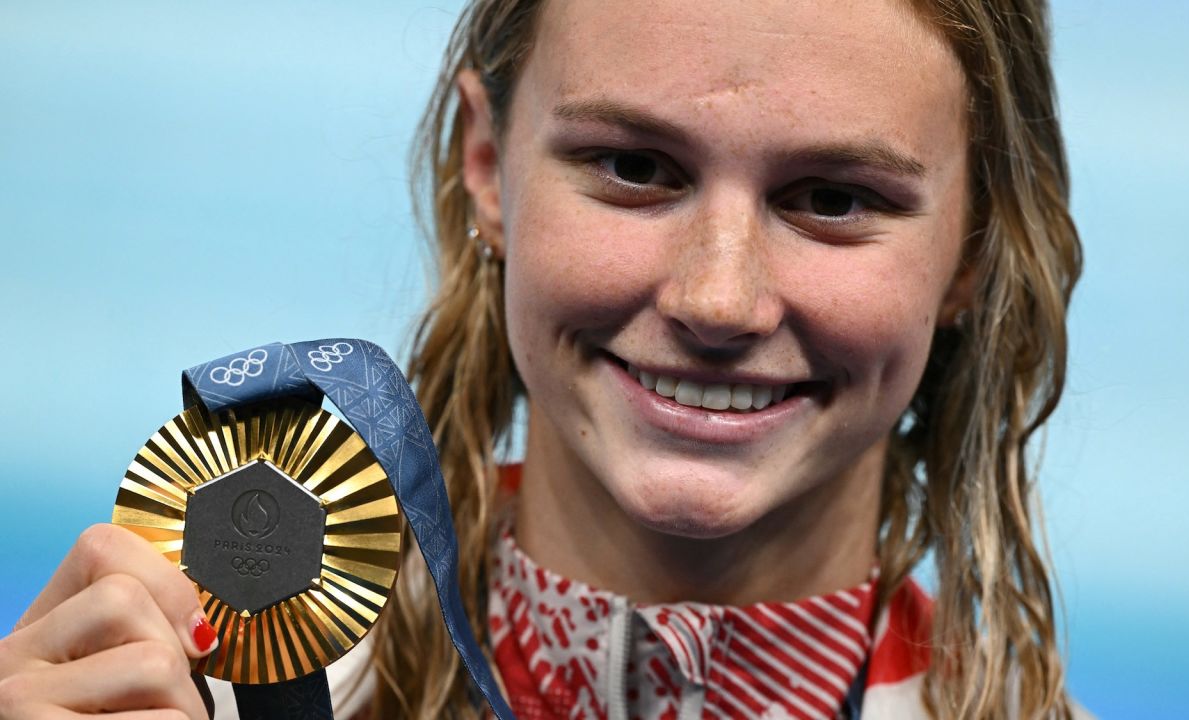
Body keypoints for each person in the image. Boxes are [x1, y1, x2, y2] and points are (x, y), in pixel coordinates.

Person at [0, 0, 1084, 718]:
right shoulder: (220, 685)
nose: (717, 298)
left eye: (834, 199)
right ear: (486, 164)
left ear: (975, 244)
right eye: (632, 166)